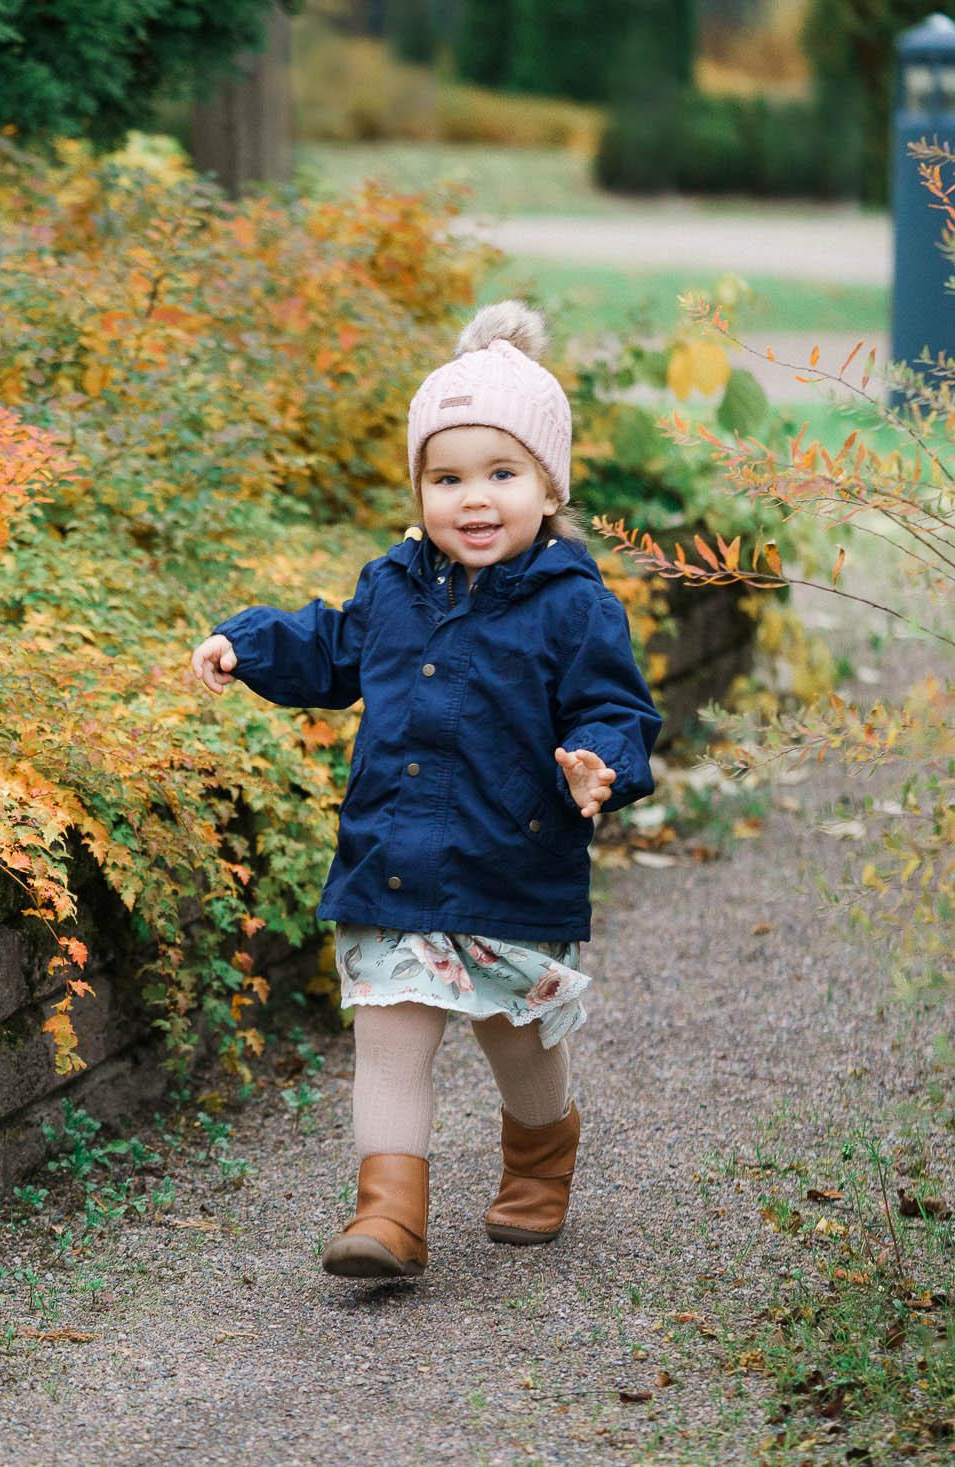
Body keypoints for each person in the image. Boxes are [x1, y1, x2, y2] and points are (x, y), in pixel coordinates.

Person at [189, 300, 661, 1277]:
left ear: (548, 484)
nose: (473, 500)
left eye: (501, 474)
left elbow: (612, 707)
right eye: (447, 479)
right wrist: (250, 643)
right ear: (420, 490)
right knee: (389, 1036)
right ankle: (389, 1215)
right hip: (394, 860)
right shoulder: (394, 587)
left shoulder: (574, 606)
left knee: (516, 1037)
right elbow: (331, 647)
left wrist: (597, 761)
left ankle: (540, 1155)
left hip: (511, 862)